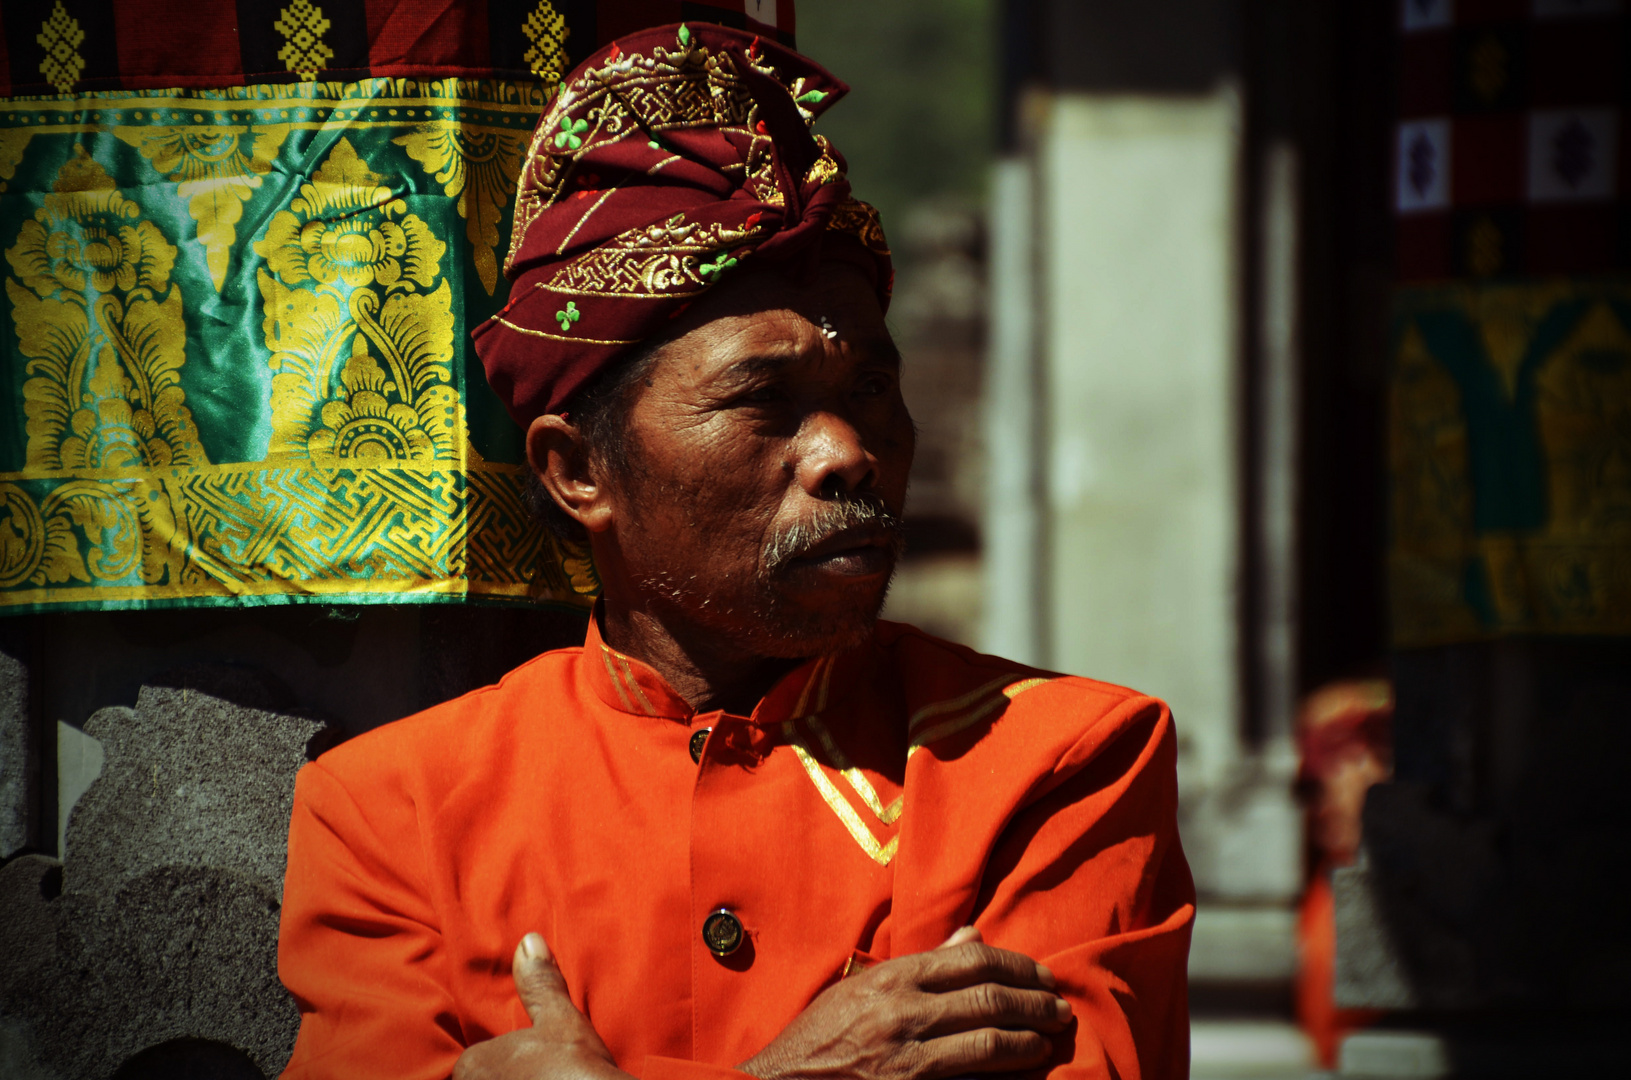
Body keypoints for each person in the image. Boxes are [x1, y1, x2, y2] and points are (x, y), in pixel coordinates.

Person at [276, 22, 1194, 1080]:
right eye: (765, 402)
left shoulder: (1055, 764)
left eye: (869, 393)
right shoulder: (397, 814)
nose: (848, 454)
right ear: (580, 472)